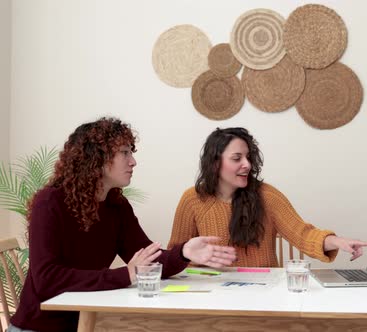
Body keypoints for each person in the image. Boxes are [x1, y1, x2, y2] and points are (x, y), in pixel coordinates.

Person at [10, 117, 236, 332]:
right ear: (97, 158)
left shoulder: (116, 205)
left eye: (132, 152)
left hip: (88, 322)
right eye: (124, 152)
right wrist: (126, 275)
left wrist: (184, 253)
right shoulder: (50, 202)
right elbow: (47, 280)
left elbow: (147, 260)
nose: (133, 161)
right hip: (38, 326)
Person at [168, 127, 367, 267]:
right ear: (215, 163)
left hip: (263, 296)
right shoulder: (192, 199)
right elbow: (175, 253)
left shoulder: (267, 196)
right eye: (237, 158)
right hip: (209, 296)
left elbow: (302, 235)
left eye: (248, 157)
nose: (247, 164)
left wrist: (336, 241)